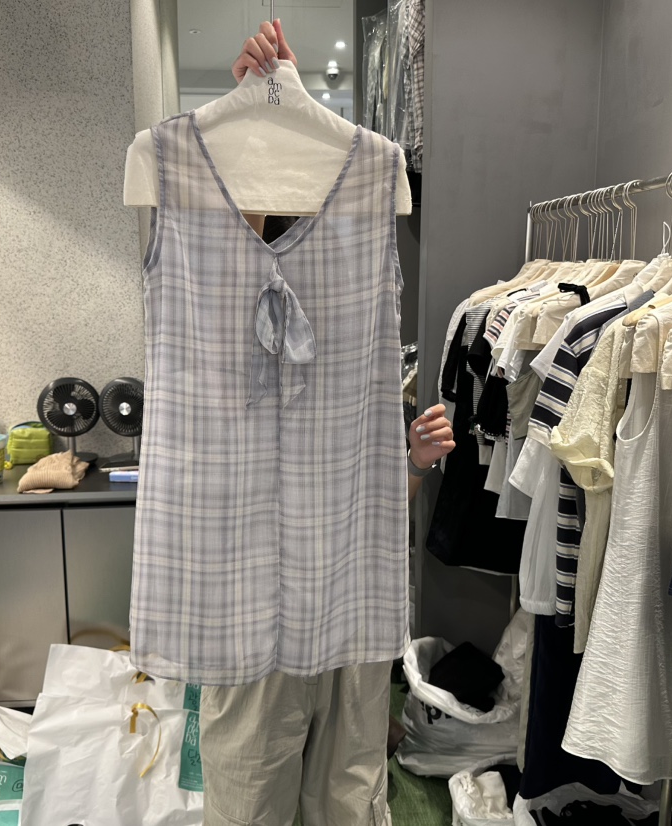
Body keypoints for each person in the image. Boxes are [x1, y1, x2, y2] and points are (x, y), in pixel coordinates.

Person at [198, 23, 455, 826]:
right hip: (254, 602)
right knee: (251, 789)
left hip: (349, 602)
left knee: (348, 790)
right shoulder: (229, 321)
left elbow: (373, 499)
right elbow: (226, 253)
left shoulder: (356, 341)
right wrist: (258, 112)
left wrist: (411, 463)